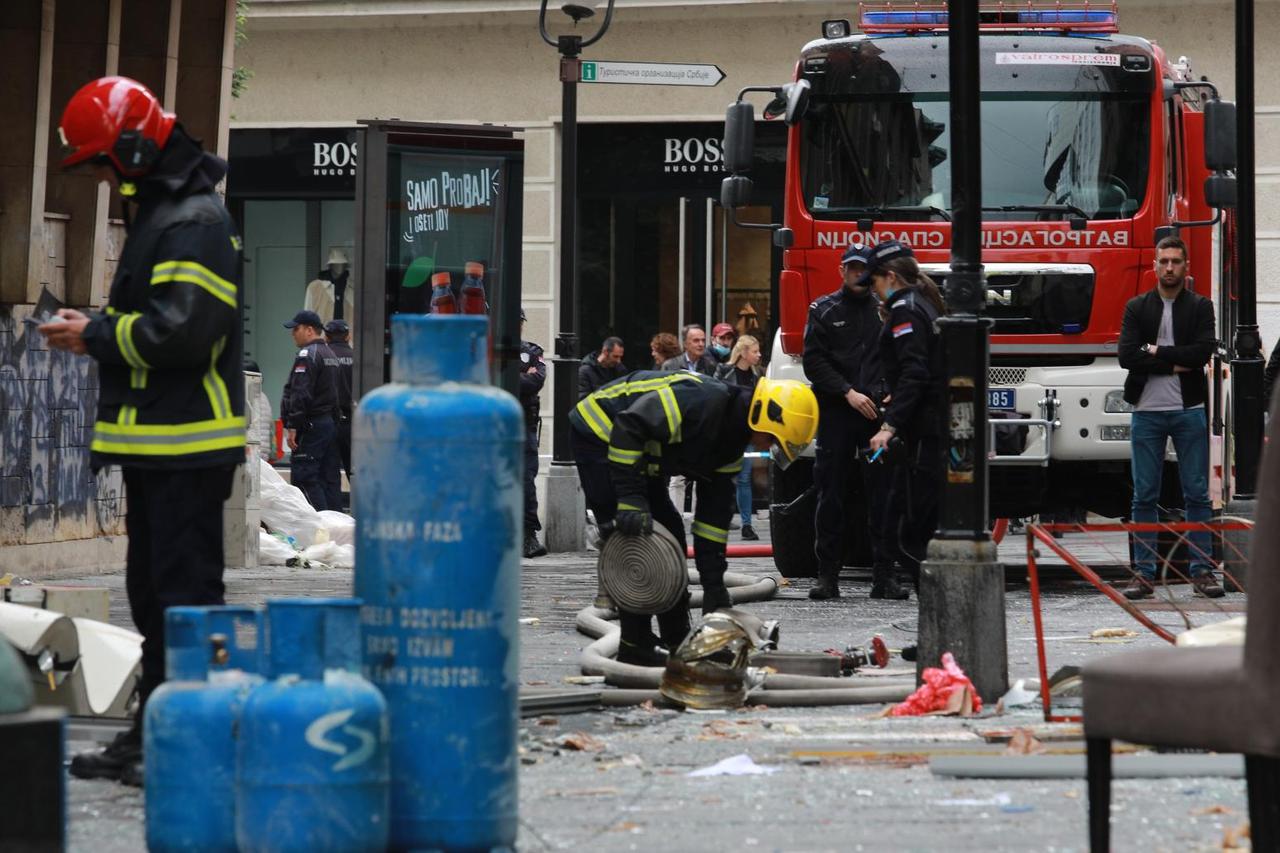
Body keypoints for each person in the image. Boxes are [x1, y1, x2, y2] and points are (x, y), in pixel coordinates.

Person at [40, 76, 245, 786]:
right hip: (162, 449)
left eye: (101, 162)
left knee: (185, 605)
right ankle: (158, 735)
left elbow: (184, 332)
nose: (100, 177)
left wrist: (92, 334)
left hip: (185, 448)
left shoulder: (192, 221)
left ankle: (193, 739)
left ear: (130, 148)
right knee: (158, 602)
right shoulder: (164, 212)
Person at [570, 371, 818, 664]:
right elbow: (629, 425)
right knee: (636, 540)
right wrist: (630, 499)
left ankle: (678, 639)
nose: (766, 448)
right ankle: (634, 643)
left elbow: (711, 524)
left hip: (640, 449)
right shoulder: (701, 403)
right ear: (765, 417)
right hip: (601, 431)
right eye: (773, 440)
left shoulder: (730, 448)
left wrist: (715, 587)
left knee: (671, 534)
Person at [1117, 235, 1223, 599]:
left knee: (1197, 493)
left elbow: (1201, 353)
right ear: (1155, 266)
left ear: (1186, 266)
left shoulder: (1200, 307)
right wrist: (1175, 362)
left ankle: (1203, 572)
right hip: (1146, 412)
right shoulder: (1137, 307)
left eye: (1176, 261)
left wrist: (1157, 350)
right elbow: (1127, 356)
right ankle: (1143, 575)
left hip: (1188, 411)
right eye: (1164, 261)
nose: (1169, 268)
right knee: (1144, 494)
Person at [803, 243, 910, 600]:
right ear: (841, 270)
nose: (856, 274)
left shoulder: (887, 310)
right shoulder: (823, 309)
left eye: (862, 269)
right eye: (850, 268)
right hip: (837, 413)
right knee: (829, 492)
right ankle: (827, 576)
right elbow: (814, 362)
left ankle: (885, 577)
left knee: (884, 494)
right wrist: (848, 392)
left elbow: (903, 355)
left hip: (876, 417)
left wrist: (892, 393)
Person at [866, 241, 948, 593]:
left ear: (890, 277)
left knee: (910, 531)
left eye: (874, 281)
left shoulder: (905, 311)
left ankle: (937, 613)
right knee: (911, 520)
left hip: (922, 429)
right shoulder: (924, 303)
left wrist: (889, 425)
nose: (873, 289)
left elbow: (916, 371)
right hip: (928, 425)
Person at [281, 309, 342, 512]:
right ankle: (335, 527)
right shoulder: (330, 353)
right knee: (327, 479)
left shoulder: (308, 355)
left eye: (296, 329)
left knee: (304, 477)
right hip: (327, 424)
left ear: (309, 330)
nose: (292, 334)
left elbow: (301, 393)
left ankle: (318, 529)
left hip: (311, 425)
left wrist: (292, 426)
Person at [715, 335, 763, 540]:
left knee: (744, 479)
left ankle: (746, 524)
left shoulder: (758, 375)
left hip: (747, 431)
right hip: (727, 431)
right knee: (724, 477)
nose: (759, 355)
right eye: (755, 351)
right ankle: (719, 518)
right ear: (743, 353)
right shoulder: (724, 371)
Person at [520, 309, 549, 558]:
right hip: (496, 426)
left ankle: (528, 535)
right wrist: (521, 376)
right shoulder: (487, 349)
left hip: (524, 426)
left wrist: (515, 378)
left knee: (527, 482)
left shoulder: (531, 352)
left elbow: (535, 382)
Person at [325, 319, 355, 504]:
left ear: (326, 336)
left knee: (331, 473)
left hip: (329, 421)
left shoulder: (323, 357)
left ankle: (335, 515)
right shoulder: (357, 357)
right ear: (348, 336)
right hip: (353, 423)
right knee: (356, 471)